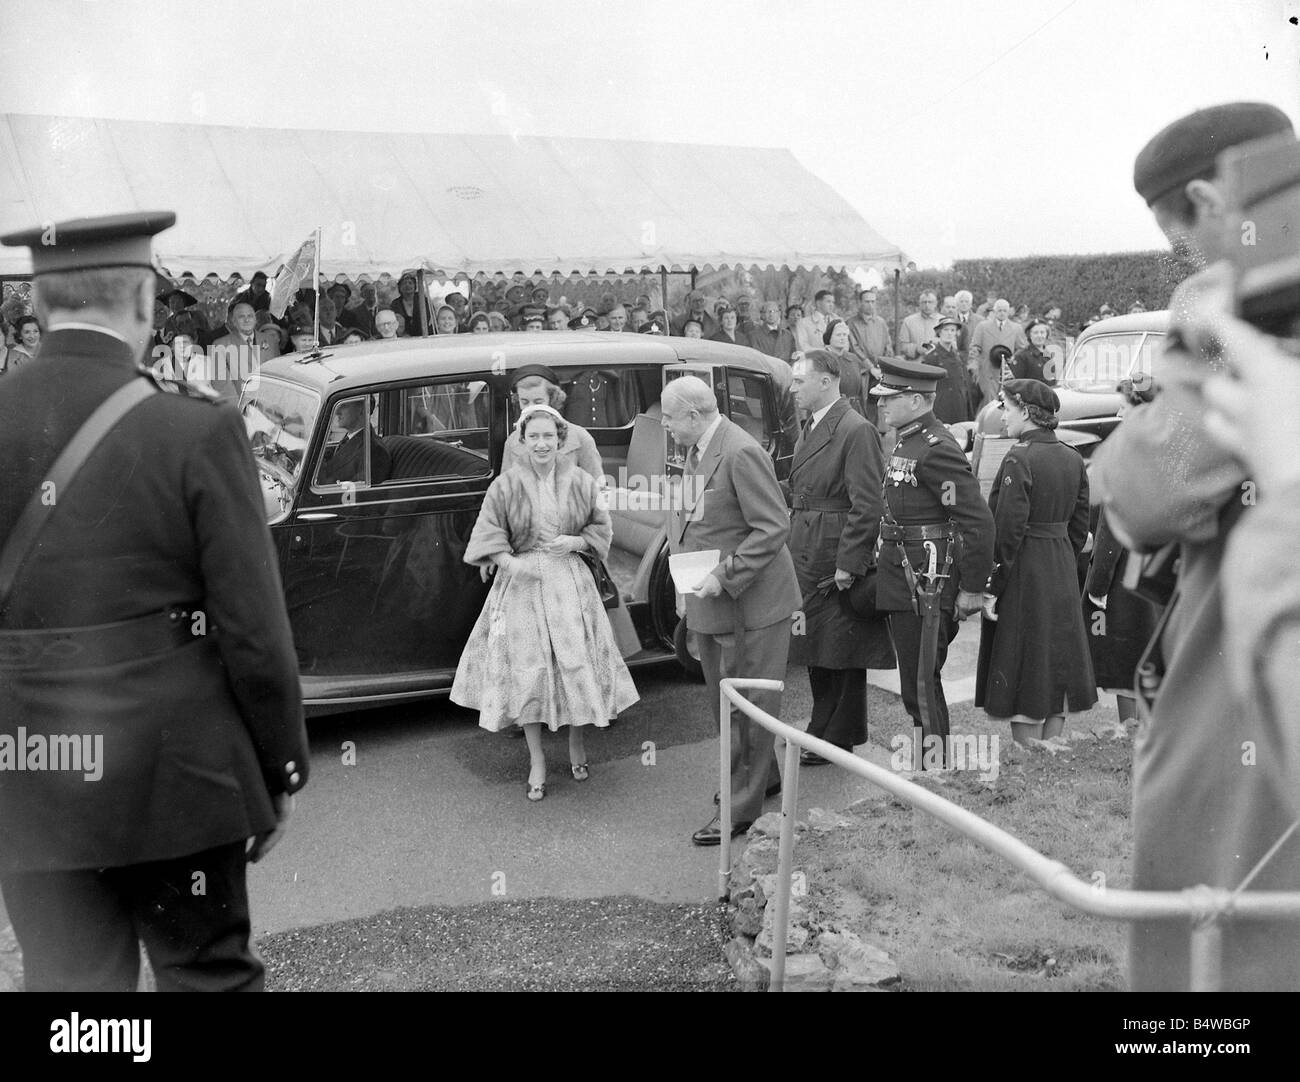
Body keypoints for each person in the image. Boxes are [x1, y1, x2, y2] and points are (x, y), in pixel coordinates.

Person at [0, 211, 308, 991]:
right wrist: (280, 771)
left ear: (36, 305)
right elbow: (255, 632)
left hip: (30, 769)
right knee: (206, 977)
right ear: (144, 301)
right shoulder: (194, 430)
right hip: (178, 772)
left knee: (70, 990)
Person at [1089, 100, 1295, 992]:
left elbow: (1141, 492)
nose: (1185, 252)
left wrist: (1196, 337)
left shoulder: (1254, 312)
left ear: (1212, 200)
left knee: (1211, 951)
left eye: (1181, 230)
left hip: (1253, 680)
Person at [451, 405, 638, 799]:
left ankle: (576, 743)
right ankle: (536, 759)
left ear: (560, 440)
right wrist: (507, 563)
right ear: (522, 442)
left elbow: (602, 529)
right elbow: (486, 536)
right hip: (521, 587)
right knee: (528, 670)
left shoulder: (582, 482)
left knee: (573, 664)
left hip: (569, 580)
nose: (541, 444)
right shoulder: (505, 486)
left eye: (548, 437)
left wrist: (576, 541)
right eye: (533, 437)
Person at [661, 376, 799, 844]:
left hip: (750, 607)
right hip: (715, 603)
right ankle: (765, 778)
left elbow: (773, 526)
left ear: (695, 415)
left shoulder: (738, 451)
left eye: (669, 416)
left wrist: (725, 575)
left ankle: (742, 807)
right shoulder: (700, 447)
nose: (664, 425)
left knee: (744, 706)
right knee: (731, 703)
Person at [870, 358, 994, 767]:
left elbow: (976, 520)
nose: (881, 404)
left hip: (924, 582)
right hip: (905, 578)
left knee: (922, 686)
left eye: (891, 398)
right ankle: (932, 768)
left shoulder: (935, 448)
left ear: (918, 400)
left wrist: (973, 587)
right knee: (916, 682)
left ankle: (934, 774)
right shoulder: (908, 440)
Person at [785, 352, 892, 765]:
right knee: (819, 646)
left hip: (832, 551)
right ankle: (824, 728)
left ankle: (836, 736)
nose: (794, 388)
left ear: (828, 382)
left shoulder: (855, 429)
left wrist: (850, 562)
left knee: (842, 647)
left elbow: (868, 505)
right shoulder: (813, 425)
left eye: (800, 380)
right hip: (810, 546)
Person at [975, 380, 1095, 745]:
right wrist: (1061, 557)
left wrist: (993, 587)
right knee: (1055, 660)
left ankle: (1028, 760)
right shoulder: (1073, 457)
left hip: (1026, 569)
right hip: (1060, 565)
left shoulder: (1019, 457)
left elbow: (1007, 531)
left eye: (1008, 409)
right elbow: (1080, 525)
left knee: (1025, 663)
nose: (1003, 417)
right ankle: (1050, 754)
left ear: (1026, 412)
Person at [503, 365, 603, 478]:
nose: (531, 408)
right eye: (525, 402)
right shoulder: (513, 441)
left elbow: (597, 487)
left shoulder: (580, 437)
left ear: (552, 399)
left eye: (538, 402)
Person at [967, 298, 1028, 409]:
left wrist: (1014, 358)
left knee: (1005, 400)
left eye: (1004, 310)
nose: (1002, 313)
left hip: (1006, 371)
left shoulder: (1016, 328)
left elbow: (1022, 348)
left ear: (1008, 312)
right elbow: (975, 347)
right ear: (994, 312)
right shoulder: (982, 326)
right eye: (999, 310)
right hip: (986, 370)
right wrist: (974, 365)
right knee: (988, 401)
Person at [318, 396, 391, 485]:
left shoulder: (373, 451)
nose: (337, 412)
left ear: (362, 411)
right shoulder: (348, 439)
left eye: (344, 406)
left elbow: (356, 493)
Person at [928, 316, 972, 423]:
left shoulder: (958, 357)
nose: (949, 333)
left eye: (952, 330)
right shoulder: (932, 357)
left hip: (959, 406)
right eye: (946, 330)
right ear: (939, 332)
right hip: (941, 407)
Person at [822, 318, 864, 415]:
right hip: (834, 411)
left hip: (855, 410)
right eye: (838, 335)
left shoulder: (853, 358)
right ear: (829, 337)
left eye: (845, 335)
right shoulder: (824, 360)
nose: (842, 338)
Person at [847, 288, 892, 368]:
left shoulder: (881, 322)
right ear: (860, 303)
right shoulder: (851, 323)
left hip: (881, 368)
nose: (870, 305)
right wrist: (870, 367)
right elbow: (854, 348)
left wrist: (885, 364)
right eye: (867, 302)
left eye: (873, 302)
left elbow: (888, 344)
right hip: (861, 370)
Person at [1006, 319, 1056, 384]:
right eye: (1036, 333)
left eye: (1042, 332)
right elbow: (1016, 384)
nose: (1039, 336)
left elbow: (1052, 381)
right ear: (1029, 335)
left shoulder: (1049, 355)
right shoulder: (1021, 356)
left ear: (1047, 335)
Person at [896, 290, 940, 359]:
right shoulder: (908, 321)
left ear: (936, 303)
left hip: (937, 364)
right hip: (915, 364)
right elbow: (902, 346)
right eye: (924, 302)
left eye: (930, 302)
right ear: (919, 304)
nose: (927, 305)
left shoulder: (943, 321)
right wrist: (916, 349)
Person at [794, 290, 836, 355]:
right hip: (814, 362)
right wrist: (824, 351)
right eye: (828, 302)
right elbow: (802, 347)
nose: (831, 305)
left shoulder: (837, 321)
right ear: (818, 303)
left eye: (833, 302)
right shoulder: (803, 323)